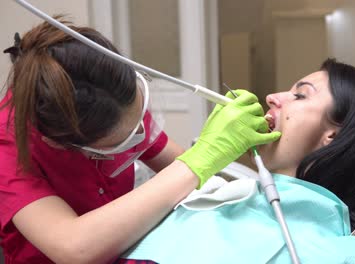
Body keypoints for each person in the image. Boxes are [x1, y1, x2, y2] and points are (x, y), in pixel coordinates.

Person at [0, 19, 280, 263]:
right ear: (65, 144)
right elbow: (74, 247)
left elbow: (180, 171)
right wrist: (202, 156)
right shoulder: (9, 145)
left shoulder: (111, 95)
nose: (139, 135)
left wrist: (216, 155)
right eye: (120, 142)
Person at [120, 58, 355, 263]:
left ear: (332, 137)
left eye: (300, 95)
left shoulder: (317, 250)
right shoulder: (239, 194)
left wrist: (203, 158)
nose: (271, 97)